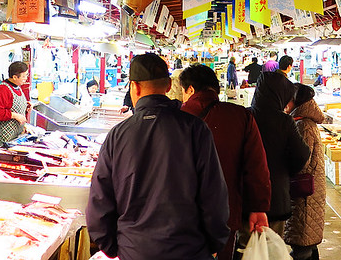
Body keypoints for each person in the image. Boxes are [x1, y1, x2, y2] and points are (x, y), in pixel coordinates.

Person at [87, 53, 229, 260]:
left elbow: (99, 201)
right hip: (190, 250)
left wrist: (114, 247)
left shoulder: (117, 135)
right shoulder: (196, 129)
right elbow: (213, 195)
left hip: (135, 251)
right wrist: (215, 242)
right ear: (169, 85)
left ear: (134, 87)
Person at [179, 64, 270, 260]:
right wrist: (258, 207)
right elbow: (256, 168)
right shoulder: (241, 116)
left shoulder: (173, 119)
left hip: (178, 215)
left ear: (190, 90)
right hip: (225, 214)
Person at [247, 71, 311, 242]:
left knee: (247, 248)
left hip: (247, 198)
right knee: (272, 247)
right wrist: (286, 170)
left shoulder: (245, 116)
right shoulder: (284, 121)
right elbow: (302, 154)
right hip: (275, 196)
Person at [284, 85, 326, 260]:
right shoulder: (304, 122)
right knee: (308, 241)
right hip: (309, 190)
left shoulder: (303, 125)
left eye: (288, 99)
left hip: (305, 194)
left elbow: (302, 160)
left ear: (296, 101)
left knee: (302, 243)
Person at [0, 60, 30, 146]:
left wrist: (26, 107)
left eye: (27, 75)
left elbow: (12, 106)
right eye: (23, 76)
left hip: (15, 135)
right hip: (4, 137)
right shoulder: (3, 89)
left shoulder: (17, 87)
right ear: (15, 77)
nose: (26, 78)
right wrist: (14, 115)